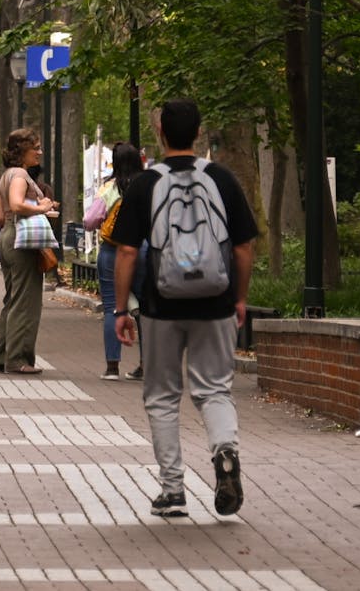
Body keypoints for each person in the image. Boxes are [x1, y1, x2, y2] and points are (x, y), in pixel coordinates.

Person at [113, 98, 258, 519]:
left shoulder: (145, 183)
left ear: (159, 132)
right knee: (214, 388)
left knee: (161, 395)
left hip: (161, 305)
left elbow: (126, 250)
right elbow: (245, 245)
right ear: (198, 133)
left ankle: (173, 490)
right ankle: (225, 451)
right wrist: (240, 297)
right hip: (215, 302)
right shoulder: (222, 178)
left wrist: (122, 309)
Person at [0, 128, 57, 375]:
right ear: (22, 151)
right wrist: (42, 208)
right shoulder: (19, 175)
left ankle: (1, 356)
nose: (39, 152)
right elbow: (17, 204)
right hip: (21, 240)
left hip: (7, 236)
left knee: (12, 299)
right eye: (35, 147)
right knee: (25, 302)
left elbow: (1, 213)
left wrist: (35, 206)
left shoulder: (6, 176)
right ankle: (17, 360)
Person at [85, 142, 145, 380]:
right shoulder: (147, 186)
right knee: (145, 307)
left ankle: (112, 367)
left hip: (112, 250)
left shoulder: (109, 188)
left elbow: (89, 221)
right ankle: (145, 364)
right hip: (143, 249)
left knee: (112, 306)